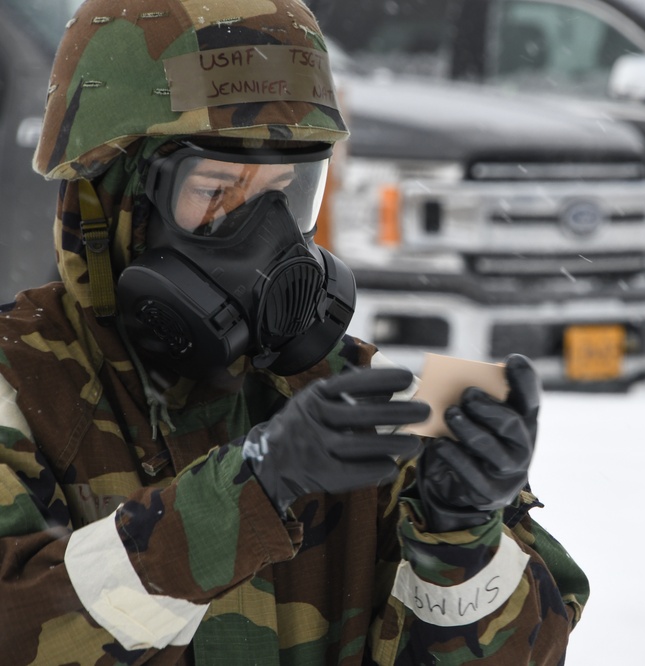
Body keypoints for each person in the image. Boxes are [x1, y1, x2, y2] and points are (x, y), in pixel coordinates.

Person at [0, 1, 588, 663]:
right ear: (110, 198)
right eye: (218, 188)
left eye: (289, 190)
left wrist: (460, 540)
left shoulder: (352, 407)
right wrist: (248, 492)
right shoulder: (19, 391)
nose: (267, 237)